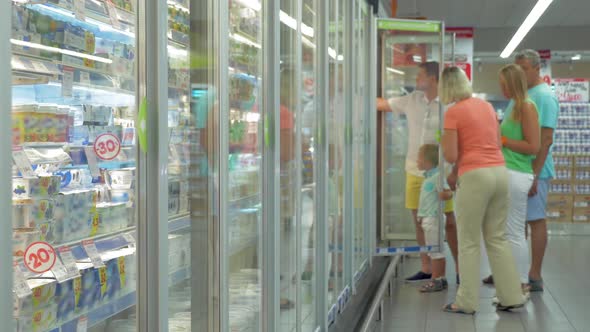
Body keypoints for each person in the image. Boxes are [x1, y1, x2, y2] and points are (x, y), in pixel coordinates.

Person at [440, 67, 525, 314]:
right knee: (497, 238)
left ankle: (466, 301)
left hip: (475, 176)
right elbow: (497, 142)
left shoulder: (453, 113)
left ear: (446, 88)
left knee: (468, 241)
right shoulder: (486, 106)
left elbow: (452, 154)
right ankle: (511, 295)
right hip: (499, 172)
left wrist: (450, 165)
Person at [377, 62, 459, 284]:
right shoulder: (412, 100)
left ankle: (461, 268)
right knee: (420, 219)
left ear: (433, 79)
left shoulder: (449, 104)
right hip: (415, 170)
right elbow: (383, 104)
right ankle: (427, 267)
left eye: (420, 76)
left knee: (449, 221)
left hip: (441, 172)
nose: (416, 80)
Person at [481, 64, 540, 293]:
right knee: (507, 230)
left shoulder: (526, 107)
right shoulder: (514, 105)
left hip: (517, 174)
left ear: (513, 83)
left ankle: (521, 281)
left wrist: (503, 141)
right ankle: (511, 279)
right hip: (509, 172)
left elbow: (533, 146)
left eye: (504, 85)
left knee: (514, 230)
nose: (501, 88)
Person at [516, 50, 560, 292]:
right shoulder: (523, 94)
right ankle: (516, 271)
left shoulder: (544, 97)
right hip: (518, 168)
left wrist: (534, 173)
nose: (520, 74)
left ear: (536, 69)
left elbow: (546, 139)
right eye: (517, 69)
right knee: (517, 222)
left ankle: (534, 276)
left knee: (535, 220)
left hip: (535, 170)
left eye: (524, 69)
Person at [416, 144, 453, 292]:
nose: (417, 161)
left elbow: (448, 192)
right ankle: (440, 279)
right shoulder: (429, 177)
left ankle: (436, 279)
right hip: (428, 218)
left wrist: (444, 195)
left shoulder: (438, 176)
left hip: (434, 218)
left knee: (436, 251)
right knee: (433, 251)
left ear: (427, 161)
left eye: (419, 158)